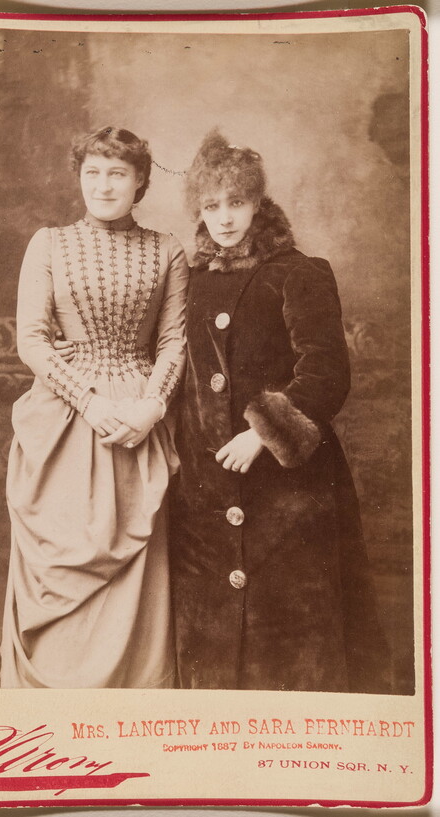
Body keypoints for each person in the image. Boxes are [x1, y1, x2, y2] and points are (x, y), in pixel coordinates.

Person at [170, 129, 390, 692]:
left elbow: (326, 373)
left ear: (258, 203)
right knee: (212, 644)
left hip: (288, 490)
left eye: (236, 203)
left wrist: (263, 433)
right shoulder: (193, 282)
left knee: (293, 639)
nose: (224, 218)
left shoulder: (298, 272)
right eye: (211, 206)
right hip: (207, 490)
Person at [0, 126, 189, 688]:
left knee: (134, 578)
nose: (103, 186)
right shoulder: (48, 243)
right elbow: (32, 340)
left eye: (117, 174)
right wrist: (87, 400)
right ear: (80, 177)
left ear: (140, 182)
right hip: (65, 416)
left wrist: (152, 406)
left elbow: (173, 341)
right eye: (93, 173)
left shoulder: (167, 249)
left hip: (136, 420)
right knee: (61, 562)